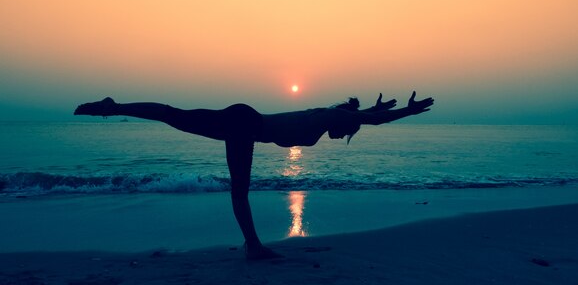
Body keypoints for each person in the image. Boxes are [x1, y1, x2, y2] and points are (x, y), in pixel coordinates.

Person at [74, 91, 434, 259]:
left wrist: (373, 109)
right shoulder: (333, 117)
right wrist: (407, 112)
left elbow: (363, 115)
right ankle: (254, 248)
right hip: (244, 125)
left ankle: (114, 107)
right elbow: (371, 119)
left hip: (244, 121)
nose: (344, 136)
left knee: (175, 113)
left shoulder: (328, 113)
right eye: (350, 130)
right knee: (238, 190)